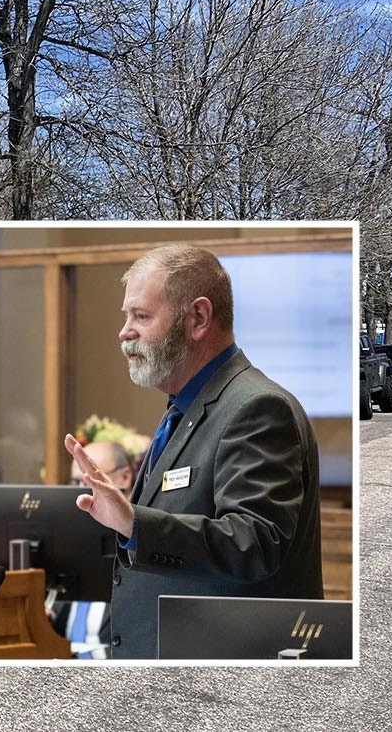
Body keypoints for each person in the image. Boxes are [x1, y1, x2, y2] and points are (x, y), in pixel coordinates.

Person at [65, 244, 323, 659]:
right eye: (126, 316)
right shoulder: (184, 408)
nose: (124, 331)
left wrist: (135, 524)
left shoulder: (256, 407)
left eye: (141, 316)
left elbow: (254, 543)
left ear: (198, 318)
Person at [52, 440, 136, 659]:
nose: (82, 493)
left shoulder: (140, 543)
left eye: (89, 480)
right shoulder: (66, 539)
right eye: (75, 482)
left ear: (125, 477)